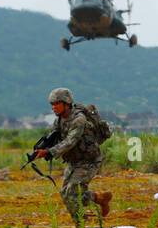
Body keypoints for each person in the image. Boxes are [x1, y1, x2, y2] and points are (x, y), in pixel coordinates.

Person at [35, 87, 112, 220]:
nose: (53, 107)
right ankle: (98, 198)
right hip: (74, 161)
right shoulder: (59, 120)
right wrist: (44, 148)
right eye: (52, 104)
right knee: (65, 194)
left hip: (89, 161)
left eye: (56, 103)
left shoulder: (79, 120)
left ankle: (81, 225)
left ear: (66, 103)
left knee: (71, 193)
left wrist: (49, 152)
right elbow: (54, 137)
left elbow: (70, 142)